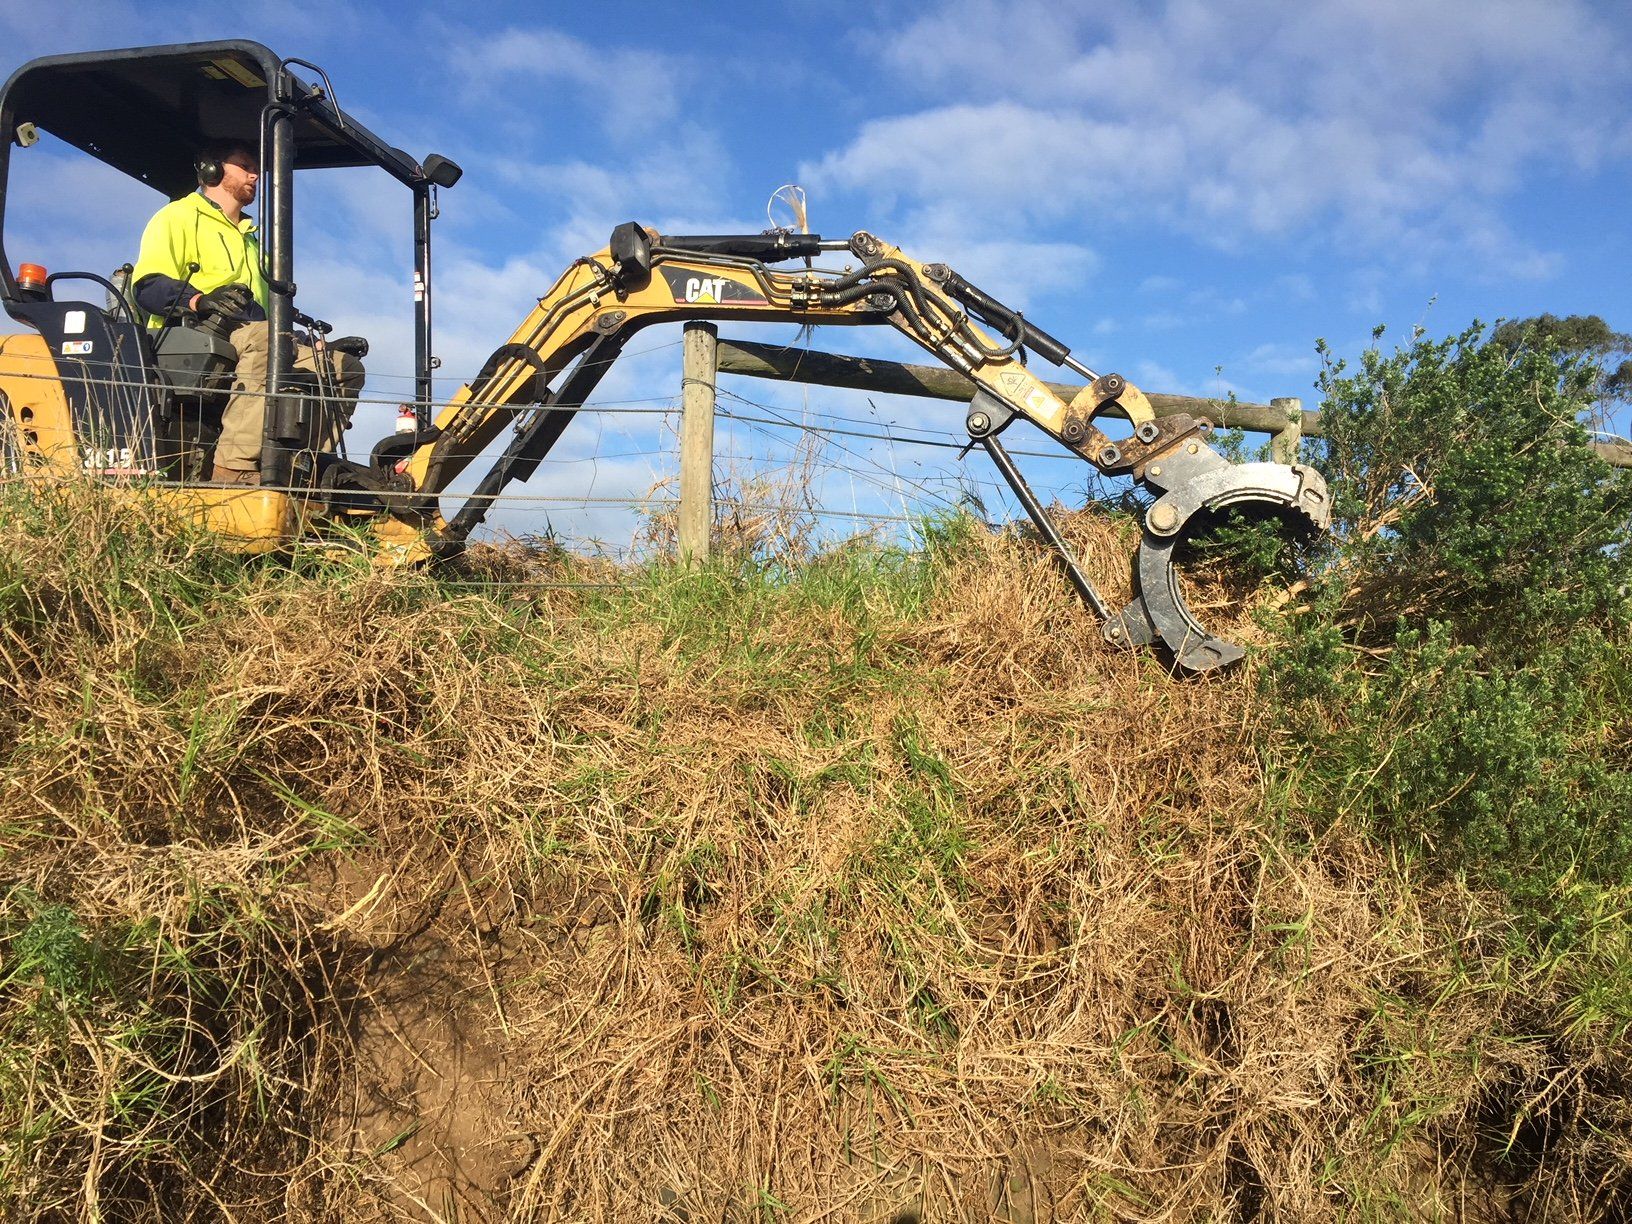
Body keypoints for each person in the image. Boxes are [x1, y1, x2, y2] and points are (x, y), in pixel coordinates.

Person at [131, 139, 364, 486]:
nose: (256, 175)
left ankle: (301, 468)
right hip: (193, 333)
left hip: (252, 333)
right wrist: (200, 300)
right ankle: (234, 467)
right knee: (268, 341)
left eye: (257, 168)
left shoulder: (253, 239)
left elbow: (267, 313)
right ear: (211, 168)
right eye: (245, 166)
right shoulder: (178, 216)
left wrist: (308, 343)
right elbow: (147, 285)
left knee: (344, 369)